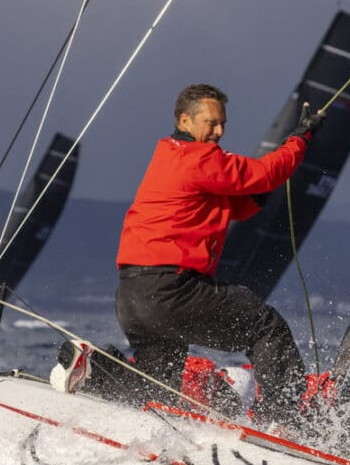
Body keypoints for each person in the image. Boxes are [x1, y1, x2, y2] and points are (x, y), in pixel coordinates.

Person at [114, 83, 322, 424]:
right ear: (185, 120)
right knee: (265, 326)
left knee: (158, 390)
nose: (219, 131)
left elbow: (233, 205)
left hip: (132, 296)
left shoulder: (169, 156)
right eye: (211, 123)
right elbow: (264, 173)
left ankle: (97, 374)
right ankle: (286, 421)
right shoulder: (199, 157)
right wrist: (300, 140)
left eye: (223, 123)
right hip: (171, 291)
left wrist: (264, 188)